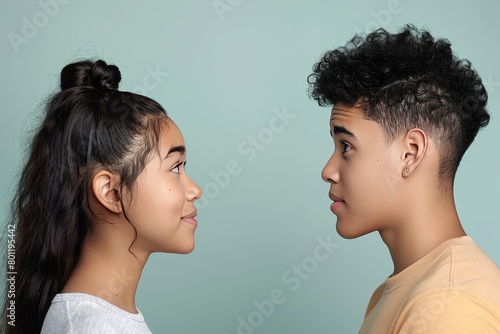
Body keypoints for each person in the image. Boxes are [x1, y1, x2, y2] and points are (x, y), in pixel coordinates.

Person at [308, 25, 500, 333]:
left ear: (410, 153)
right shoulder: (399, 293)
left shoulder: (448, 304)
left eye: (346, 147)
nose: (327, 171)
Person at [2, 60, 202, 333]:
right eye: (175, 167)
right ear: (111, 192)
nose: (195, 190)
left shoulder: (99, 320)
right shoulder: (92, 327)